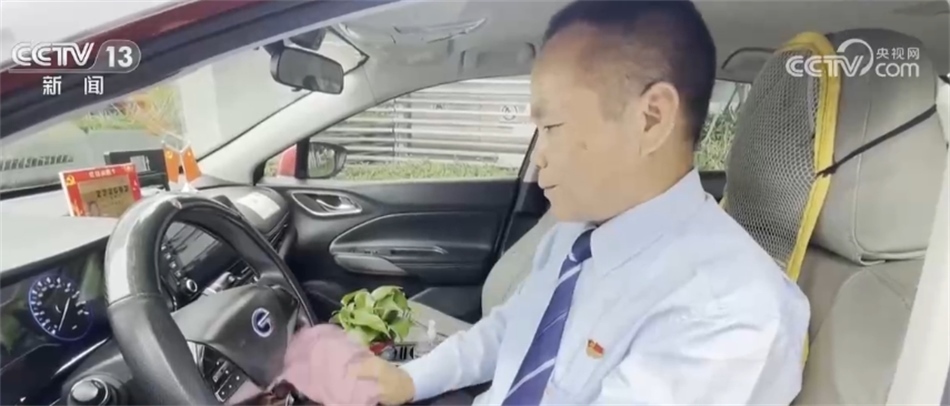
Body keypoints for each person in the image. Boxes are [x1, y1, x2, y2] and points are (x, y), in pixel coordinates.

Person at [357, 1, 811, 404]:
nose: (539, 156)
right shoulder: (576, 237)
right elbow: (513, 330)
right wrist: (408, 381)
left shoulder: (729, 313)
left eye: (552, 127)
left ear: (651, 119)